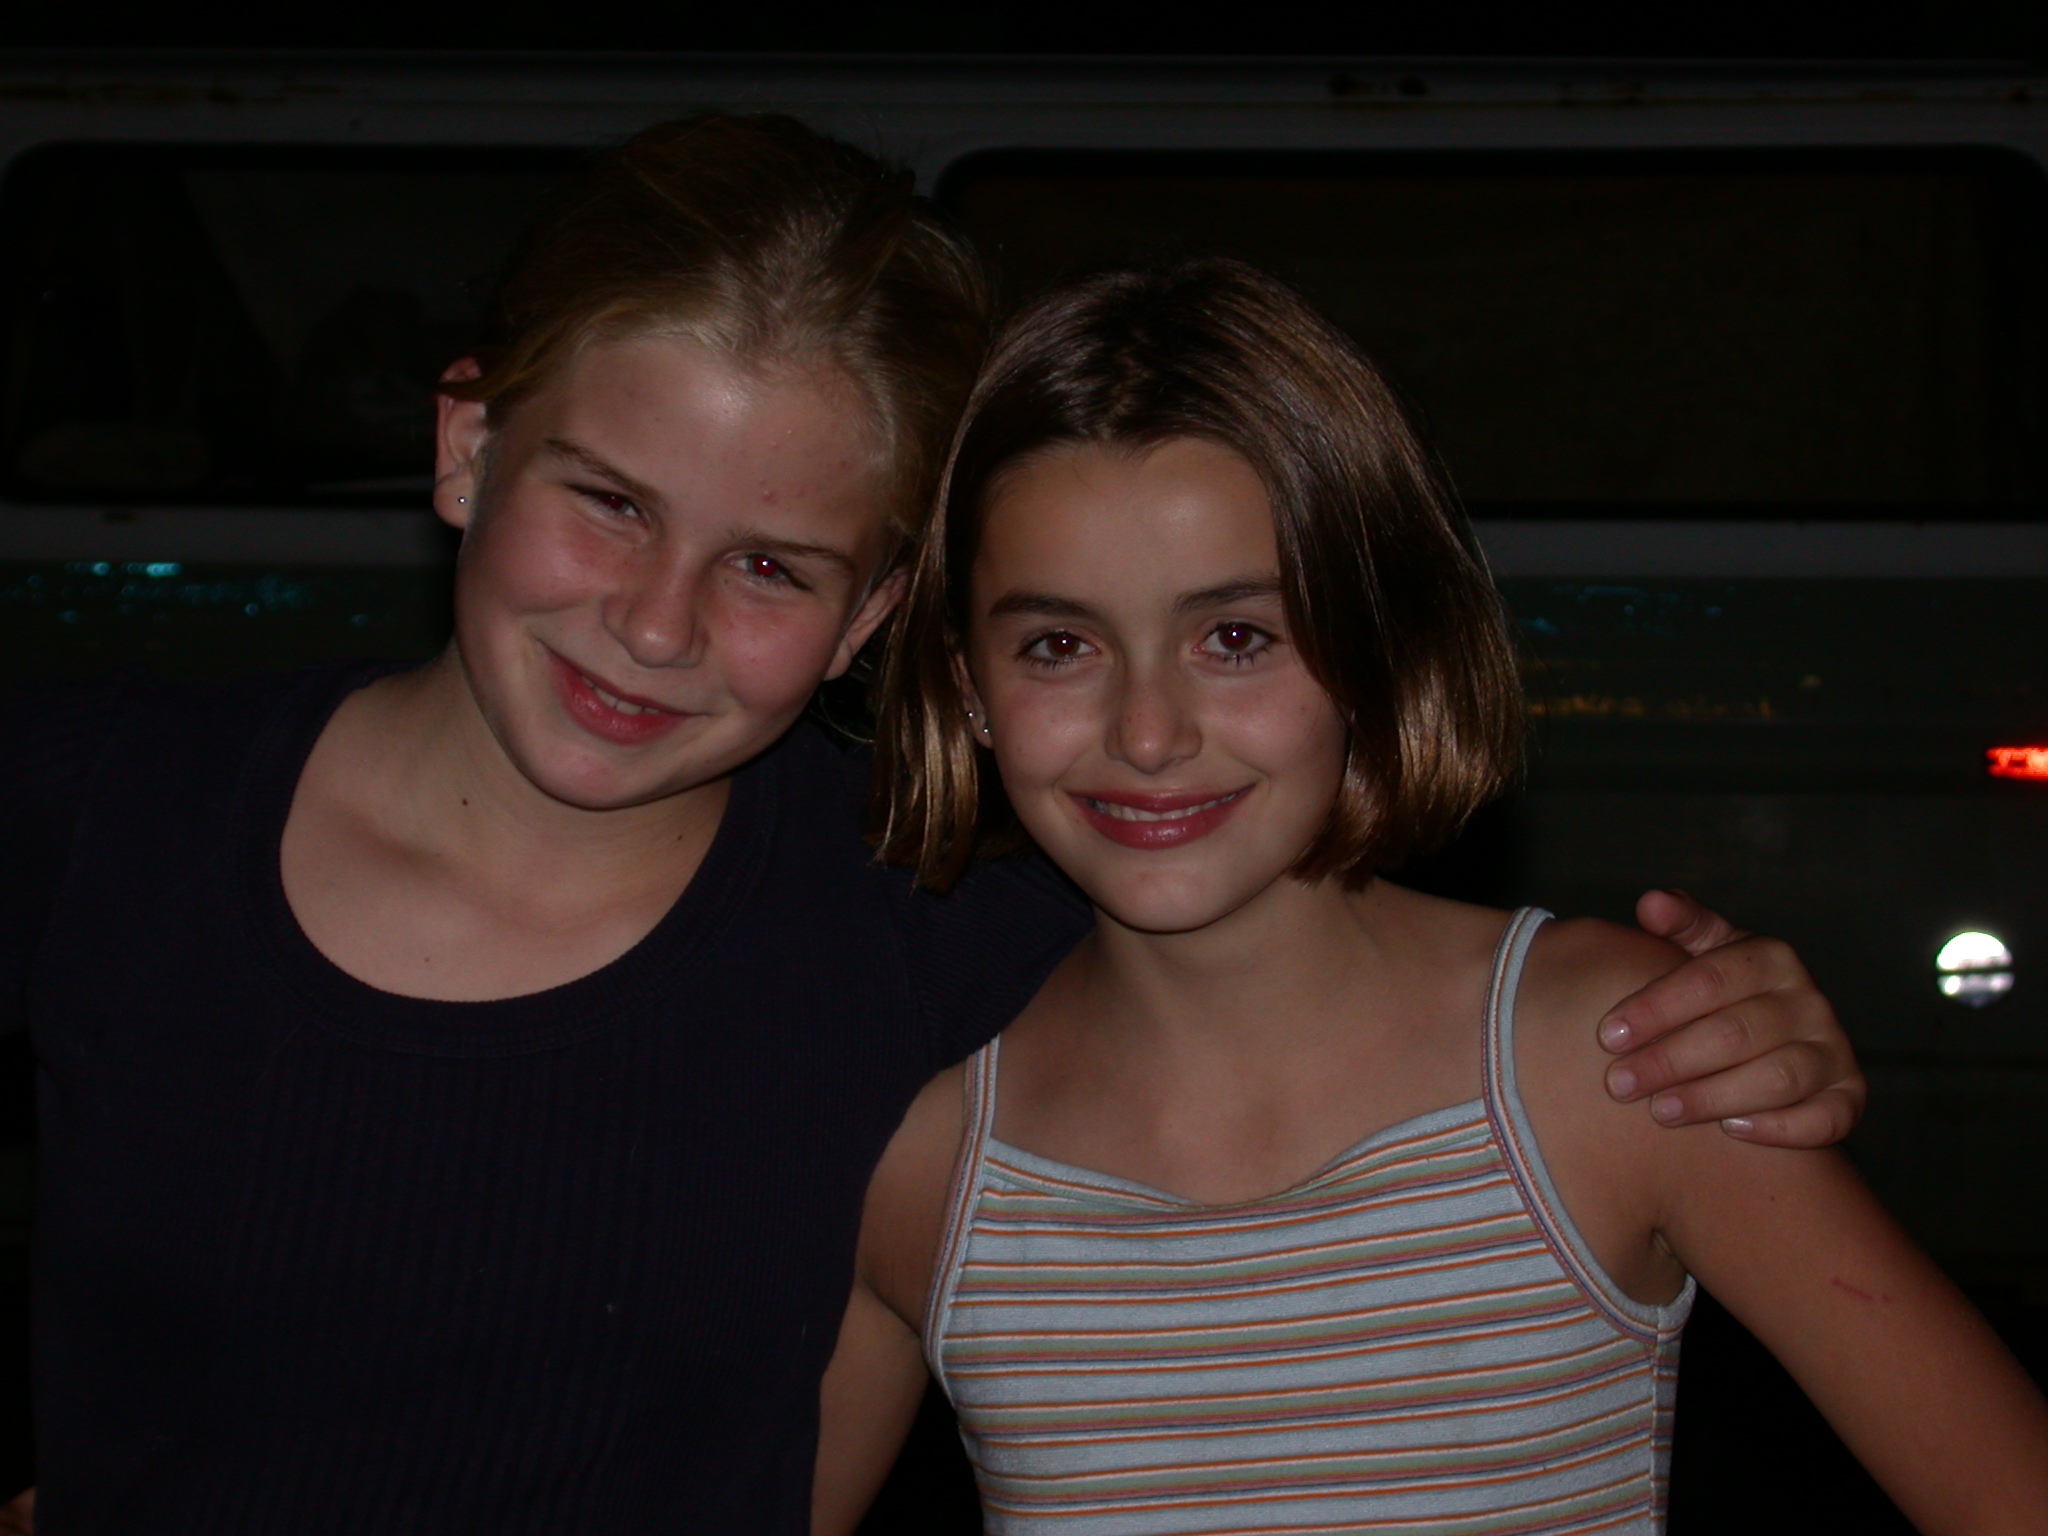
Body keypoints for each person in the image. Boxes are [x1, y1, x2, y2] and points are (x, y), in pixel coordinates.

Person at [1, 122, 1863, 1534]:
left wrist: (1726, 1026)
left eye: (772, 564)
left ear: (877, 613)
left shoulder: (942, 932)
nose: (656, 623)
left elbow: (1315, 1000)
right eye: (608, 500)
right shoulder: (92, 809)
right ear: (466, 449)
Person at [813, 259, 2048, 1535]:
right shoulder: (917, 1162)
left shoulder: (1615, 1059)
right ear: (967, 687)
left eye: (1235, 637)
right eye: (1058, 645)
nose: (1146, 731)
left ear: (1373, 644)